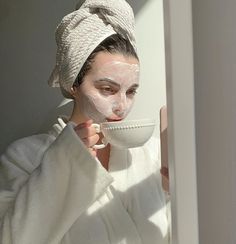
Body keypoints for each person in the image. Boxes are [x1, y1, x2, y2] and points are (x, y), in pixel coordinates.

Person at [0, 0, 170, 243]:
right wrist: (65, 161)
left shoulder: (152, 155)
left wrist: (181, 192)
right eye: (107, 89)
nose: (122, 106)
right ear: (73, 84)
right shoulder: (25, 158)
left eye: (131, 91)